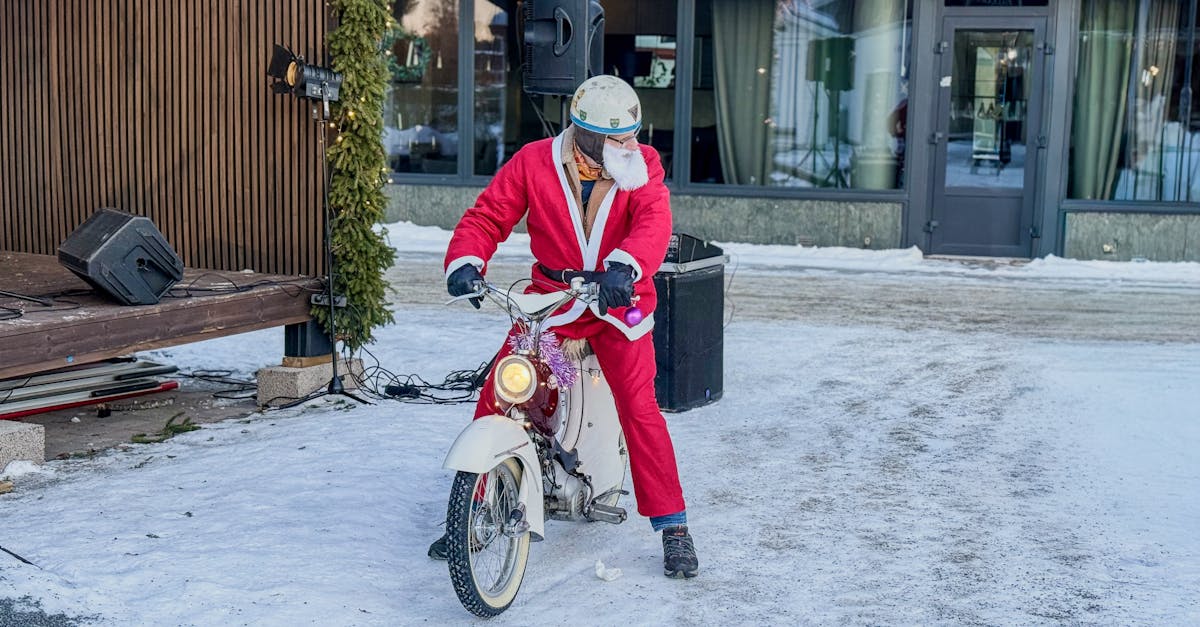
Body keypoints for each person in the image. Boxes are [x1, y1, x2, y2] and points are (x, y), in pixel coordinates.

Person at [427, 75, 699, 579]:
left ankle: (674, 526)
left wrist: (627, 266)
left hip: (621, 308)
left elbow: (653, 222)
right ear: (585, 134)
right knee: (501, 393)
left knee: (639, 408)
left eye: (633, 135)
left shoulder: (642, 166)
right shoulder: (533, 161)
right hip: (553, 305)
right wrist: (466, 260)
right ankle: (476, 511)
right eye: (618, 138)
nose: (630, 146)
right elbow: (488, 216)